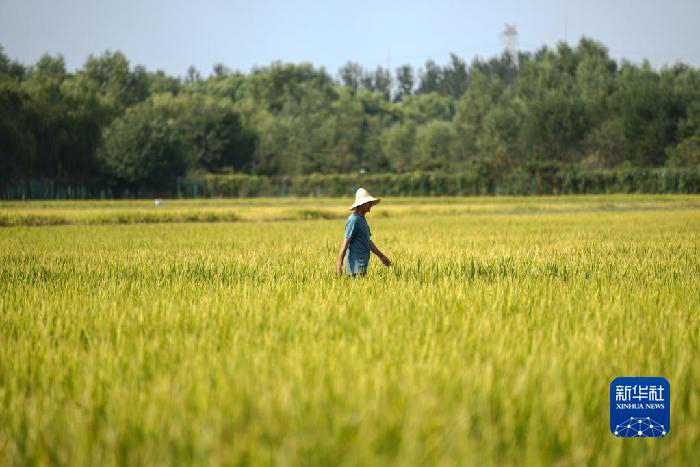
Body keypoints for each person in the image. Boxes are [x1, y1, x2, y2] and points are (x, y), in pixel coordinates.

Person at [336, 188, 392, 276]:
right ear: (360, 204)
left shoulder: (362, 219)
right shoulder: (353, 220)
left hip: (362, 266)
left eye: (370, 203)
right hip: (355, 268)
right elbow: (346, 243)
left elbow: (368, 241)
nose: (370, 205)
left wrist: (381, 256)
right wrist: (339, 264)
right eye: (367, 203)